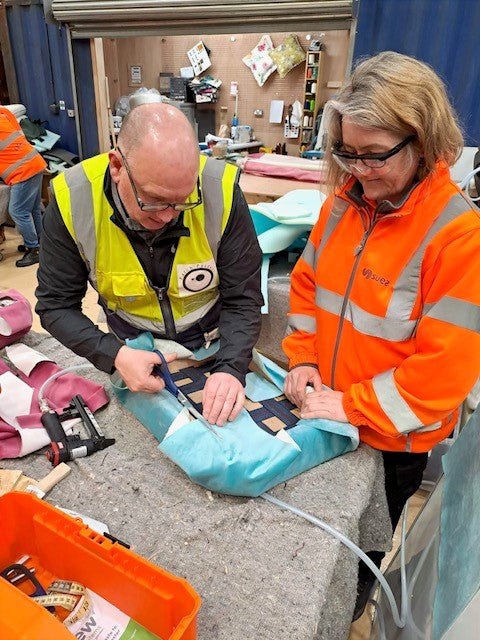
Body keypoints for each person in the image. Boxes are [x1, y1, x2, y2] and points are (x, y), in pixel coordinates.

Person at [282, 51, 480, 621]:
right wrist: (299, 362)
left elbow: (441, 375)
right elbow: (306, 291)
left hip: (393, 443)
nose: (358, 171)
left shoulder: (458, 238)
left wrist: (350, 404)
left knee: (356, 558)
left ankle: (345, 617)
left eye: (375, 156)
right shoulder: (344, 205)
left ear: (423, 141)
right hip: (323, 408)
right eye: (347, 153)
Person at [36, 102, 263, 427]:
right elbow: (55, 306)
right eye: (154, 201)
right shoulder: (74, 200)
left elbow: (244, 298)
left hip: (214, 345)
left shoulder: (220, 191)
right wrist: (113, 356)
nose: (169, 215)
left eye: (184, 200)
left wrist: (231, 367)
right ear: (117, 166)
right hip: (132, 351)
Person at [0, 105, 46, 267]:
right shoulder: (4, 113)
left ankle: (34, 249)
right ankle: (40, 243)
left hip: (22, 170)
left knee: (18, 211)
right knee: (32, 208)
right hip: (34, 162)